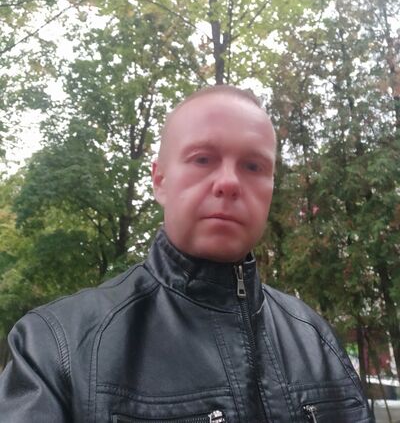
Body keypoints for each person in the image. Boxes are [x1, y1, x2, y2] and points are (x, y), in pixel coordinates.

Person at [0, 85, 373, 422]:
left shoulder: (316, 340)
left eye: (253, 166)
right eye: (202, 159)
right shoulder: (57, 346)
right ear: (159, 180)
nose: (229, 182)